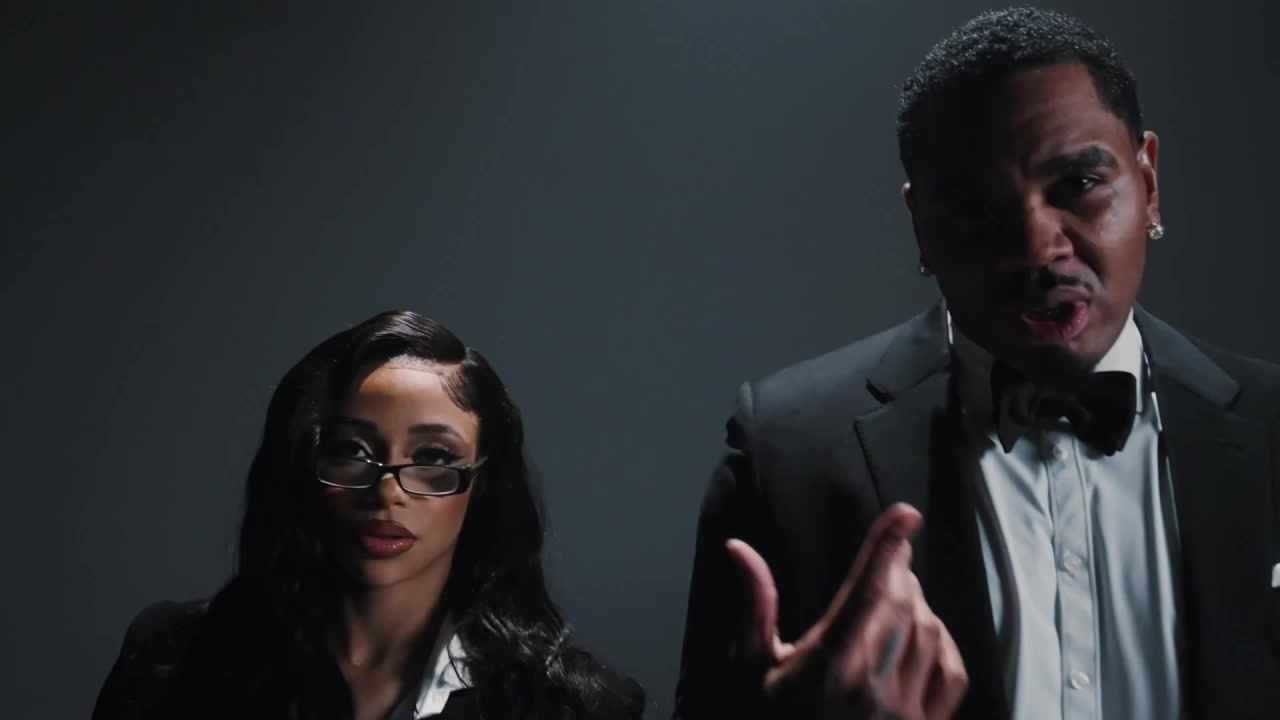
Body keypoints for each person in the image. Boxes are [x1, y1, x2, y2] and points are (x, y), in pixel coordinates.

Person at [674, 7, 1280, 720]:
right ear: (919, 226)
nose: (1037, 248)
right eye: (974, 208)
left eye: (1079, 183)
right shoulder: (785, 454)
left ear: (1149, 182)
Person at [93, 311, 644, 720]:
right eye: (352, 451)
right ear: (307, 464)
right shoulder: (173, 657)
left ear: (482, 484)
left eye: (434, 458)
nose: (387, 492)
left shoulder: (578, 706)